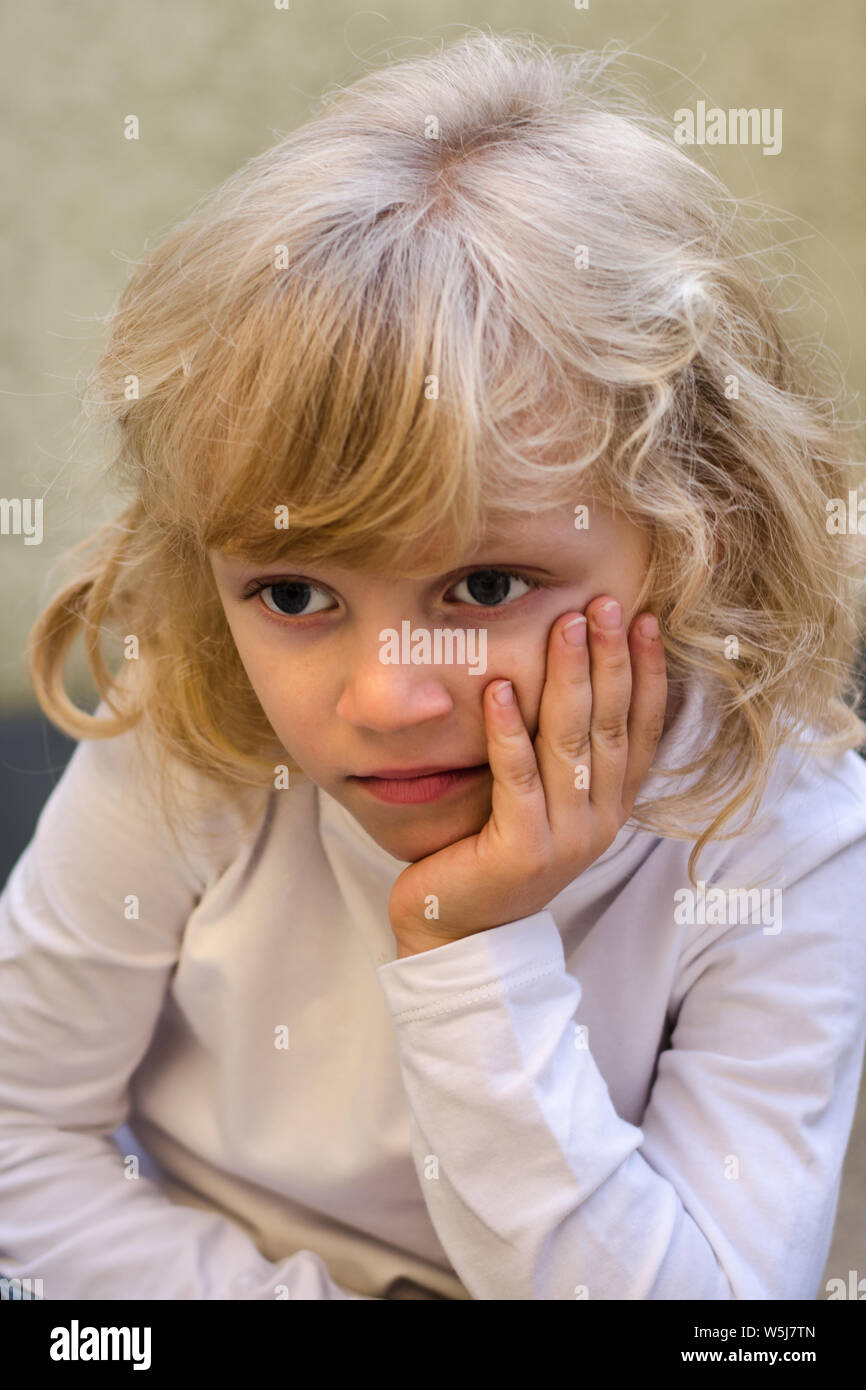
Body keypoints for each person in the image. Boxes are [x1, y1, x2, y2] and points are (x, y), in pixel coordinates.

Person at [1, 29, 865, 1301]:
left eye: (485, 587)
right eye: (293, 593)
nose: (385, 698)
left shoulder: (777, 830)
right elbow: (21, 1140)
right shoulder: (197, 735)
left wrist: (471, 942)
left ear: (697, 531)